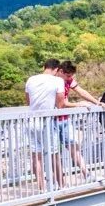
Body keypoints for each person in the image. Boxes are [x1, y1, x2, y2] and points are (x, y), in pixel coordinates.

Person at [25, 58, 71, 190]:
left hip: (32, 121)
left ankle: (41, 188)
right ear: (56, 70)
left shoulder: (31, 80)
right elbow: (61, 104)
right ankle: (61, 185)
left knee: (36, 156)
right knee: (54, 154)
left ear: (44, 67)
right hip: (48, 122)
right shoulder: (57, 81)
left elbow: (29, 102)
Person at [56, 61, 102, 183]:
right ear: (60, 72)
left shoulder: (68, 81)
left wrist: (96, 102)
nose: (70, 78)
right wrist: (78, 104)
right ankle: (59, 183)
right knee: (54, 152)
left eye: (71, 76)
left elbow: (81, 91)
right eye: (68, 76)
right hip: (52, 121)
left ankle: (86, 174)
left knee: (74, 147)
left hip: (64, 119)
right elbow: (62, 104)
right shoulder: (53, 82)